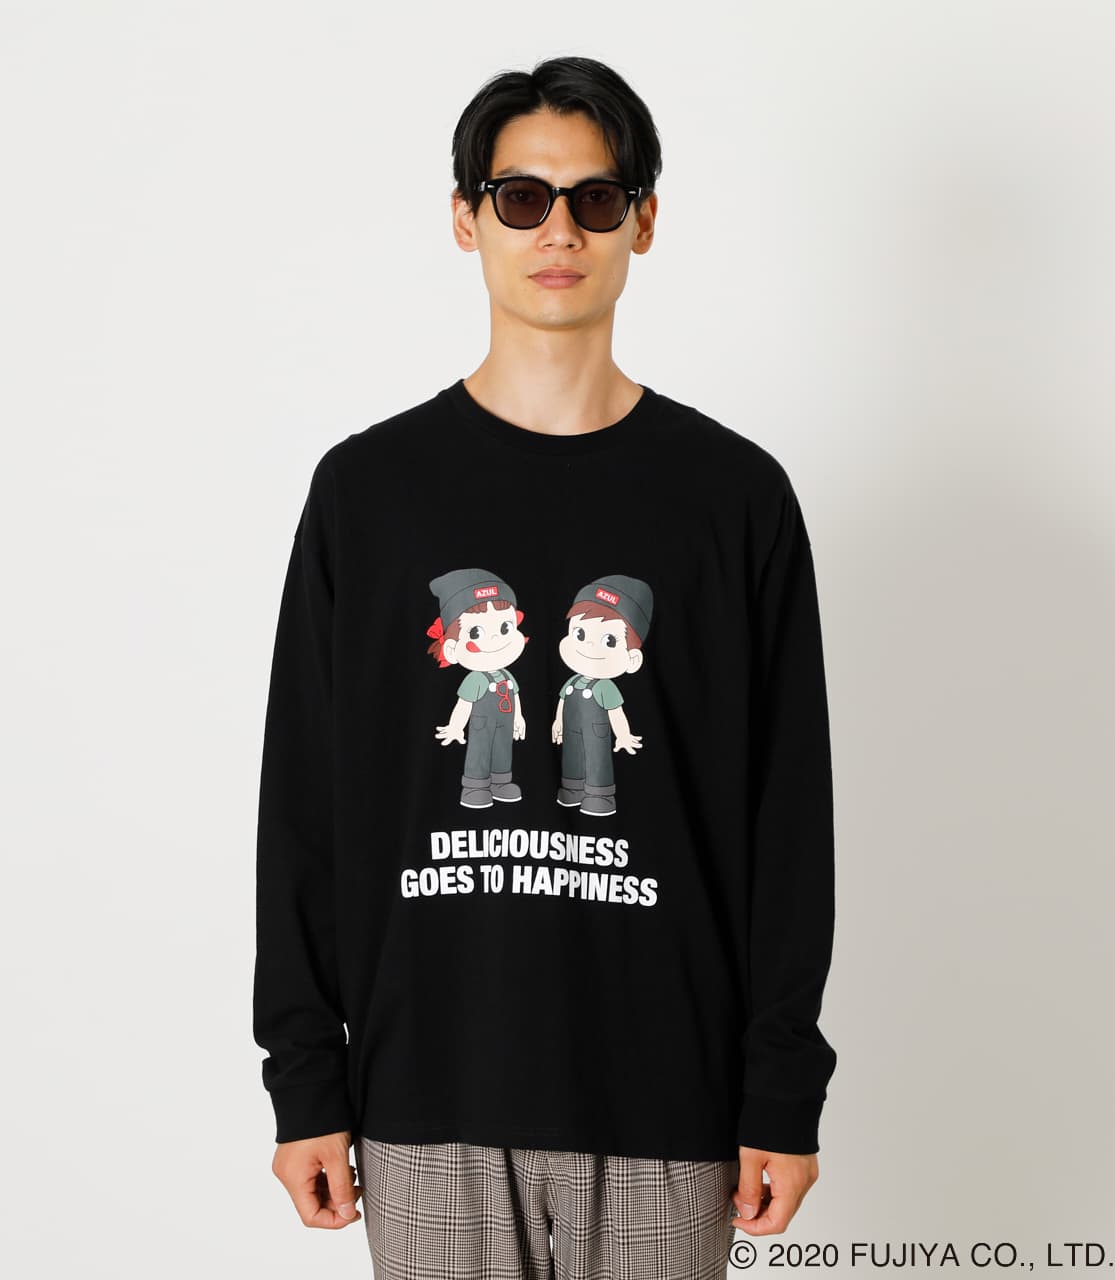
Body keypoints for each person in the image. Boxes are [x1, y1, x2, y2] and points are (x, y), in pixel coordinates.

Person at [253, 54, 838, 1278]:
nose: (557, 230)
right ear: (466, 219)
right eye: (520, 197)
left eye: (595, 198)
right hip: (427, 1085)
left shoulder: (733, 497)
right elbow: (306, 805)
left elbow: (787, 817)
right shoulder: (368, 492)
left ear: (644, 220)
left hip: (671, 1087)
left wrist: (781, 1083)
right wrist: (305, 1074)